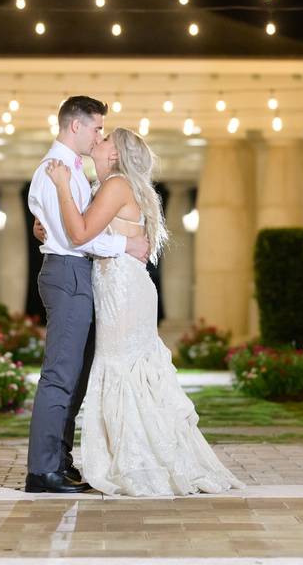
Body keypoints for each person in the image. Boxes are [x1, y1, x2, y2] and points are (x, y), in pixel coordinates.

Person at [45, 127, 245, 496]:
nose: (98, 142)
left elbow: (82, 233)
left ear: (116, 154)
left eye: (105, 140)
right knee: (127, 368)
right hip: (122, 283)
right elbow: (88, 237)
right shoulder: (115, 186)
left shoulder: (116, 185)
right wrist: (52, 229)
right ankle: (138, 456)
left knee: (121, 367)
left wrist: (59, 186)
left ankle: (136, 462)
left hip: (122, 288)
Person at [24, 96, 149, 494]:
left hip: (78, 274)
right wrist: (126, 248)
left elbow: (68, 227)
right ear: (75, 126)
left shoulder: (73, 172)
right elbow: (75, 238)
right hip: (68, 273)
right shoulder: (54, 170)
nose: (100, 136)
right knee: (60, 375)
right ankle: (42, 471)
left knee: (74, 376)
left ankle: (59, 460)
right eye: (97, 128)